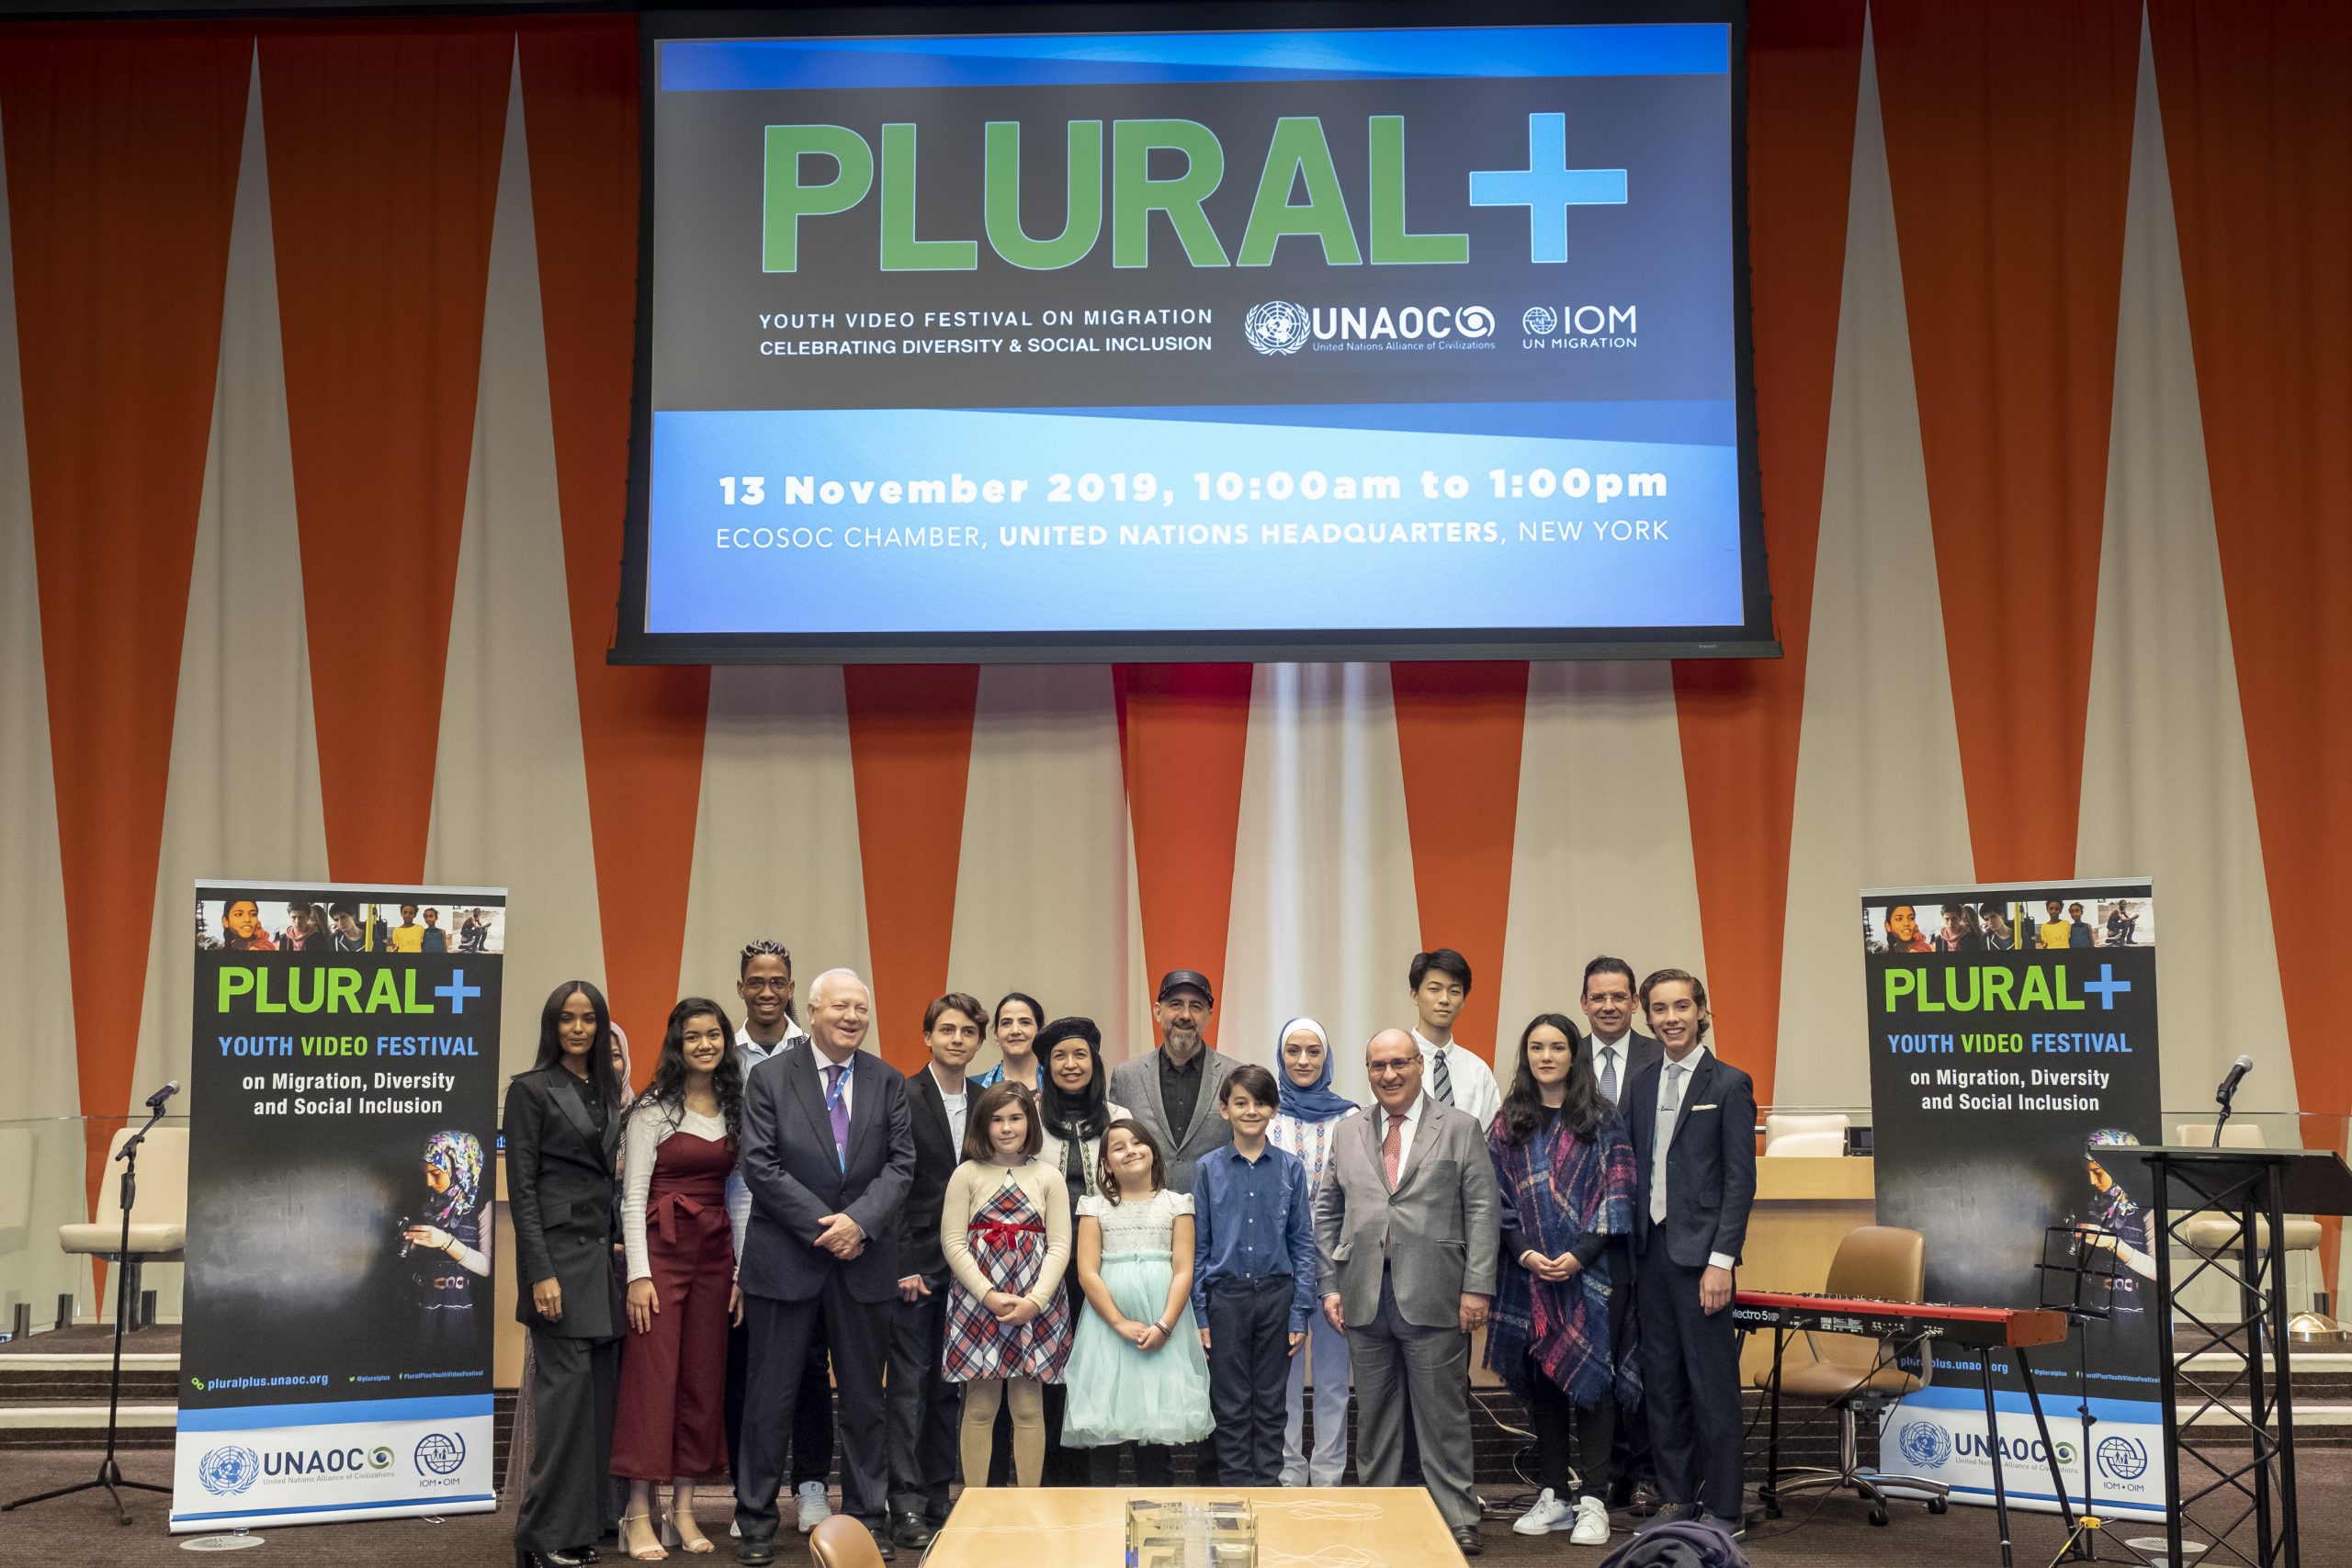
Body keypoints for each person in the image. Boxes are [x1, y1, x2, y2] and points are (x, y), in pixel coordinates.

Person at [731, 969, 912, 1565]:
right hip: (785, 1260)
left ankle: (866, 1518)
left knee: (864, 1403)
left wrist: (859, 1223)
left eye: (861, 1007)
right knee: (769, 1399)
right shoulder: (769, 1077)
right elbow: (760, 1164)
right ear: (810, 1012)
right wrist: (828, 1228)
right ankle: (756, 1521)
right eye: (840, 1006)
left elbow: (901, 1166)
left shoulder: (888, 1080)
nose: (852, 1016)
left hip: (864, 1262)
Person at [1315, 1030, 1499, 1557]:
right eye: (1378, 1066)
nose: (1389, 1074)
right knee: (1375, 1418)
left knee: (1443, 1417)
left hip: (1437, 1292)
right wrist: (1329, 1285)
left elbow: (1482, 1210)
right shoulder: (1348, 1130)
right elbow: (1327, 1211)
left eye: (1399, 1063)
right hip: (1363, 1294)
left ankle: (1457, 1517)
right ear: (1367, 1072)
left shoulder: (1459, 1127)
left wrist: (1477, 1287)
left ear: (1420, 1065)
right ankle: (1380, 1515)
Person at [1489, 1015, 1638, 1544]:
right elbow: (1492, 1198)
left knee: (1593, 1382)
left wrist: (1577, 1255)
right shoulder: (1508, 1122)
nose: (1546, 1056)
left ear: (1574, 1055)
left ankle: (1593, 1500)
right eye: (1536, 1047)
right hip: (1527, 1274)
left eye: (1557, 1047)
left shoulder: (1601, 1118)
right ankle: (1553, 1495)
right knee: (1545, 1384)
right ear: (1526, 1055)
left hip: (1592, 1276)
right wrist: (1526, 1253)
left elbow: (1619, 1194)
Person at [614, 998, 745, 1560]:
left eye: (713, 1035)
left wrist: (739, 1270)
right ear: (677, 1044)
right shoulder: (653, 1110)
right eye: (693, 1036)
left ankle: (683, 1510)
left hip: (715, 1256)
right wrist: (638, 1276)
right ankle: (637, 1513)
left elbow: (742, 1195)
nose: (705, 1045)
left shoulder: (736, 1107)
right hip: (661, 1253)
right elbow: (633, 1196)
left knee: (701, 1379)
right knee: (652, 1381)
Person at [1626, 969, 1755, 1537]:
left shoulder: (1729, 1084)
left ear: (1702, 1012)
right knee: (1662, 1384)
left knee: (1712, 1387)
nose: (1671, 1018)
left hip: (1703, 1260)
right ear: (1648, 1016)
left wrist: (1721, 1261)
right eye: (1660, 1009)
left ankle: (1725, 1507)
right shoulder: (1642, 1083)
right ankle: (1675, 1498)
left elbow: (1740, 1182)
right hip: (1649, 1253)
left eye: (1681, 1006)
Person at [508, 981, 629, 1568]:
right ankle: (540, 1540)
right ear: (551, 1025)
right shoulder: (530, 1089)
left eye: (588, 1019)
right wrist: (540, 1273)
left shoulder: (607, 1090)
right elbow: (522, 1190)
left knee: (594, 1408)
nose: (578, 1029)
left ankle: (580, 1528)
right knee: (562, 1411)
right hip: (556, 1265)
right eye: (566, 1019)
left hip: (600, 1267)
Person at [721, 942, 834, 1539]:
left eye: (778, 981)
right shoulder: (721, 1052)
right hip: (735, 1225)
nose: (767, 991)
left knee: (810, 1363)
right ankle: (749, 1492)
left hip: (804, 1228)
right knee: (746, 1369)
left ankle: (812, 1484)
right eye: (756, 981)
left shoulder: (816, 1050)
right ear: (740, 987)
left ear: (792, 989)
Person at [940, 1082, 1075, 1490]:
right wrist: (987, 1294)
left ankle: (1028, 1501)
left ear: (1029, 1122)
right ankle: (976, 1501)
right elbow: (953, 1242)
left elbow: (1060, 1246)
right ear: (983, 1124)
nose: (1006, 1127)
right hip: (978, 1302)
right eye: (996, 1119)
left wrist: (1035, 1301)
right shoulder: (966, 1174)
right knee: (980, 1406)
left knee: (1029, 1407)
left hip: (1035, 1304)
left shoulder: (1048, 1176)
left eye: (1015, 1118)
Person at [1062, 1119, 1214, 1480]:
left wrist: (1164, 1325)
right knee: (1104, 1421)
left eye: (1137, 1142)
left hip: (1161, 1326)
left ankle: (1156, 1506)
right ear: (1106, 1164)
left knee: (1155, 1425)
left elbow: (1183, 1270)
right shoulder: (1094, 1208)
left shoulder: (1177, 1204)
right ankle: (1100, 1509)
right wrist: (1118, 1321)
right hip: (1107, 1330)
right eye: (1118, 1147)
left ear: (1153, 1151)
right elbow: (1087, 1272)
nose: (1130, 1151)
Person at [886, 994, 984, 1551]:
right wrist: (902, 1264)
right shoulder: (901, 1093)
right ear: (927, 1036)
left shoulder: (987, 1099)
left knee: (950, 1385)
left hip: (972, 1265)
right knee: (908, 1386)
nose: (956, 1039)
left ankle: (937, 1493)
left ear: (979, 1041)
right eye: (947, 1030)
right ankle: (903, 1502)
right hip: (916, 1262)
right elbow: (892, 1182)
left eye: (968, 1031)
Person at [1192, 1064, 1317, 1485]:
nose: (1251, 1111)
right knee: (1229, 1403)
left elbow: (1302, 1244)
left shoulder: (1290, 1169)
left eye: (1260, 1103)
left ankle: (1266, 1488)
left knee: (1270, 1403)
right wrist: (1200, 1313)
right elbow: (1200, 1245)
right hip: (1224, 1299)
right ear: (1224, 1109)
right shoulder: (1207, 1169)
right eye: (1241, 1102)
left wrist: (1300, 1312)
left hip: (1277, 1297)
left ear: (1274, 1110)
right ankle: (1233, 1489)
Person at [1575, 957, 1659, 1507]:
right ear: (1584, 1003)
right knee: (1597, 1352)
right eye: (1598, 997)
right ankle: (1605, 1471)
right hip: (1585, 1235)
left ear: (1634, 1003)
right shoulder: (1565, 1055)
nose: (1609, 1006)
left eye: (1619, 997)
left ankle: (1649, 1470)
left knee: (1647, 1354)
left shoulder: (1661, 1053)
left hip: (1649, 1233)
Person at [1030, 1015, 1127, 1483]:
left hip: (1105, 1262)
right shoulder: (1029, 1116)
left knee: (1101, 1365)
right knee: (1051, 1370)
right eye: (1060, 1056)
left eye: (1080, 1055)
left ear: (1095, 1062)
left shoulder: (1120, 1118)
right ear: (1047, 1066)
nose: (1071, 1064)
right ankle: (1055, 1479)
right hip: (1043, 1264)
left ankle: (1100, 1479)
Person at [1266, 1018, 1357, 1486]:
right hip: (1280, 1265)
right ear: (1280, 1057)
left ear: (1327, 1058)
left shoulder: (1352, 1118)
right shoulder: (1266, 1115)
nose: (1303, 1061)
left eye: (1313, 1051)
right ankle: (1286, 1475)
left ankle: (1327, 1477)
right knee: (1280, 1379)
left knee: (1333, 1379)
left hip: (1337, 1263)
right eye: (1293, 1051)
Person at [1108, 970, 1237, 1193]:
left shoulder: (1234, 1076)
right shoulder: (1126, 1076)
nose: (1185, 1015)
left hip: (1213, 1210)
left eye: (1196, 1006)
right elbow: (1113, 1149)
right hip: (1144, 1210)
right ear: (1158, 1012)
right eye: (1176, 1004)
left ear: (1209, 1016)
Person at [401, 1129, 491, 1348]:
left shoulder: (481, 1203)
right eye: (425, 1173)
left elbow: (486, 1267)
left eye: (436, 1173)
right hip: (423, 1306)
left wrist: (445, 1242)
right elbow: (415, 1262)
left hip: (461, 1310)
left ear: (459, 1168)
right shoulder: (426, 1201)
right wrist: (412, 1248)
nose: (429, 1182)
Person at [1408, 949, 1502, 1132]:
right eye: (1434, 989)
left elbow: (1492, 1138)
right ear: (1415, 995)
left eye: (1454, 991)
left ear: (1463, 1001)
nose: (1444, 999)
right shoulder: (1392, 1064)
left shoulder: (1478, 1071)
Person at [971, 992, 1046, 1092]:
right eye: (1006, 1023)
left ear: (1040, 1032)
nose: (1015, 1031)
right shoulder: (974, 1088)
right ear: (996, 1035)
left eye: (1025, 1022)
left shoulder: (1060, 1086)